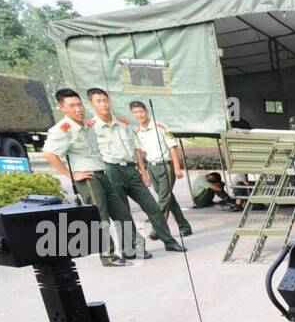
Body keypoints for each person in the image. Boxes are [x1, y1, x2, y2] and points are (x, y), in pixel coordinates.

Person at [85, 88, 185, 253]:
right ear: (92, 103)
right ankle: (131, 248)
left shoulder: (123, 123)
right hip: (111, 171)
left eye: (105, 100)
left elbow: (136, 149)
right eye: (99, 101)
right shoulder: (91, 128)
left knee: (152, 206)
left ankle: (169, 241)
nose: (103, 104)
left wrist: (143, 171)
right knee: (122, 212)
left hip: (131, 170)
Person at [41, 88, 133, 266]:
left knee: (123, 214)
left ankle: (130, 250)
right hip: (88, 178)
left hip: (102, 174)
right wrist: (71, 174)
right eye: (72, 106)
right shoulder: (62, 129)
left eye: (79, 104)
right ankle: (108, 256)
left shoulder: (87, 126)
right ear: (63, 108)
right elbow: (49, 153)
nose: (78, 109)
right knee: (100, 217)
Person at [129, 101, 192, 238]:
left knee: (163, 199)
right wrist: (144, 173)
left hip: (166, 166)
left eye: (141, 111)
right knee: (168, 198)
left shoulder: (160, 127)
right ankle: (185, 226)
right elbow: (138, 154)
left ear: (146, 111)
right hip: (151, 167)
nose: (139, 115)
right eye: (135, 112)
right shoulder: (137, 132)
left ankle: (158, 229)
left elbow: (173, 147)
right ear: (132, 114)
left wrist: (177, 167)